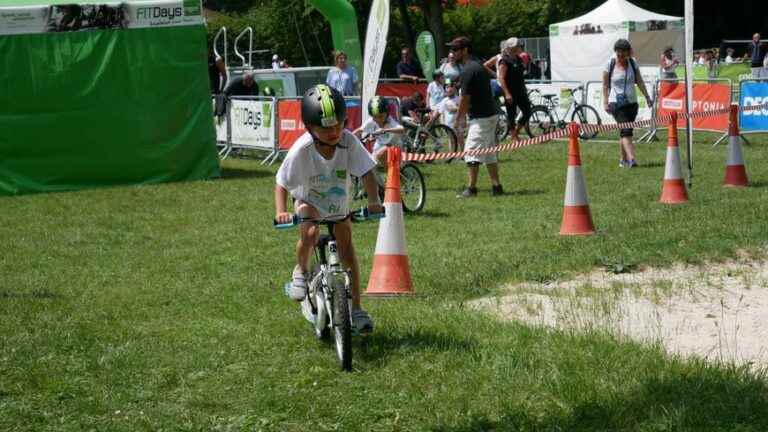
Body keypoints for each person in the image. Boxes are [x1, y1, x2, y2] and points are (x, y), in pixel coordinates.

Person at [274, 84, 381, 334]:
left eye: (339, 124)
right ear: (310, 128)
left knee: (347, 248)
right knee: (310, 233)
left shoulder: (348, 142)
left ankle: (356, 308)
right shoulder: (302, 149)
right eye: (326, 127)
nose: (334, 131)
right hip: (307, 200)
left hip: (337, 204)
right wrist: (281, 210)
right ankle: (301, 269)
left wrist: (374, 200)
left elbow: (367, 171)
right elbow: (281, 182)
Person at [448, 36, 503, 198]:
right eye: (452, 49)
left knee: (470, 151)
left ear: (465, 50)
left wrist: (458, 120)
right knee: (489, 153)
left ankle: (471, 189)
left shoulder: (468, 70)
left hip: (482, 118)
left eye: (455, 49)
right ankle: (496, 186)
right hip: (490, 114)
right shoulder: (477, 65)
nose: (453, 52)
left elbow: (465, 99)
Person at [602, 39, 653, 168]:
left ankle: (622, 160)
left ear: (628, 52)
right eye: (618, 53)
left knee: (625, 131)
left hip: (632, 103)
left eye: (623, 53)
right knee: (626, 131)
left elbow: (640, 81)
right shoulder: (610, 63)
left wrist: (647, 97)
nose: (621, 56)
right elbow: (605, 84)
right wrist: (605, 102)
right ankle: (632, 159)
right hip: (616, 103)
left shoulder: (632, 62)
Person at [497, 37, 532, 141]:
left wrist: (525, 88)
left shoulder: (519, 59)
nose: (520, 47)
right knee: (511, 114)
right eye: (518, 45)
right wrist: (507, 94)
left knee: (527, 111)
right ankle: (514, 136)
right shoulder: (504, 60)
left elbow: (521, 75)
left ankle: (516, 131)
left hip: (521, 91)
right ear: (512, 47)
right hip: (510, 92)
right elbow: (501, 78)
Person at [353, 97, 405, 165]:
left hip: (395, 148)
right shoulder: (371, 121)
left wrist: (385, 130)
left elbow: (402, 129)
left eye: (381, 116)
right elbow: (359, 130)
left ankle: (390, 173)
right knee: (368, 165)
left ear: (387, 114)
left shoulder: (391, 122)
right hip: (379, 147)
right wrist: (348, 138)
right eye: (375, 117)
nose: (378, 119)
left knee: (380, 154)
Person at [434, 78, 464, 150]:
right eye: (447, 87)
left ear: (455, 88)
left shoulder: (459, 99)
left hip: (458, 123)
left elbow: (462, 109)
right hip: (448, 125)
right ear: (445, 90)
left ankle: (463, 154)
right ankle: (452, 154)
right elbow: (440, 112)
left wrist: (456, 109)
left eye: (451, 86)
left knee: (461, 139)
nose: (449, 89)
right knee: (451, 140)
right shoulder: (444, 101)